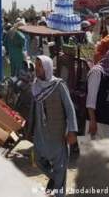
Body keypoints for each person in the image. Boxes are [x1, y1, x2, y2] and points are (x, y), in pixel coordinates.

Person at [28, 56, 77, 197]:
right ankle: (55, 179)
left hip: (57, 133)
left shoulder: (58, 85)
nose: (36, 69)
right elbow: (32, 109)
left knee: (60, 167)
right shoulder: (36, 85)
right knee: (38, 160)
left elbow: (69, 108)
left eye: (39, 66)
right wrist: (29, 128)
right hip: (40, 133)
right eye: (36, 65)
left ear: (47, 67)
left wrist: (72, 131)